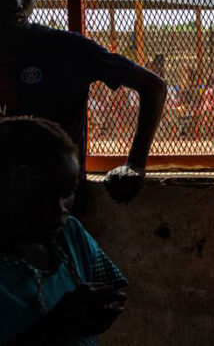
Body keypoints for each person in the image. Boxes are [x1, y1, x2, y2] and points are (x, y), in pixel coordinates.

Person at [0, 0, 167, 207]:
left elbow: (153, 86)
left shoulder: (64, 48)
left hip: (56, 211)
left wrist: (135, 163)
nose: (17, 3)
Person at [0, 117, 128, 345]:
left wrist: (105, 310)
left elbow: (111, 287)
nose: (60, 208)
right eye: (42, 196)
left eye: (68, 193)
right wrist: (58, 324)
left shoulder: (70, 234)